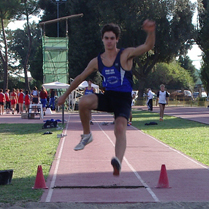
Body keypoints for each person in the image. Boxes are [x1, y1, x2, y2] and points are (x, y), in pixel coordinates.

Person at [58, 19, 155, 176]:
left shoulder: (125, 54)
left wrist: (150, 32)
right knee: (83, 102)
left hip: (123, 99)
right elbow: (80, 77)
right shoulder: (97, 61)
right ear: (102, 39)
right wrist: (65, 95)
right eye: (106, 38)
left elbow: (147, 46)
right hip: (108, 96)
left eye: (112, 38)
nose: (109, 41)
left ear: (117, 39)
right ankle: (87, 134)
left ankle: (118, 160)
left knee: (120, 128)